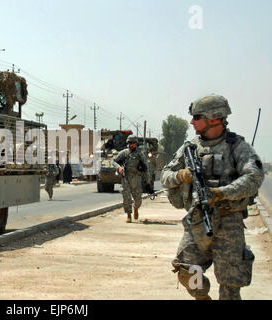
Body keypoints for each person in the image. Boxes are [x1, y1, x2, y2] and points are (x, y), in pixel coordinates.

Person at [161, 94, 264, 300]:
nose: (192, 121)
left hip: (229, 222)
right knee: (186, 270)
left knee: (230, 286)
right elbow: (165, 176)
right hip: (198, 220)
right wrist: (181, 175)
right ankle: (203, 297)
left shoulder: (237, 146)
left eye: (197, 117)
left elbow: (254, 177)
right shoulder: (190, 148)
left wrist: (220, 193)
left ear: (214, 118)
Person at [113, 135, 151, 223]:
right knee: (126, 198)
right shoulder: (124, 153)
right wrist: (119, 167)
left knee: (138, 199)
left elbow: (146, 167)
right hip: (126, 177)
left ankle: (135, 208)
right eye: (130, 143)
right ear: (128, 143)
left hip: (136, 178)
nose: (132, 145)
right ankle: (129, 215)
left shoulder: (140, 154)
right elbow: (114, 161)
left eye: (133, 143)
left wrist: (148, 179)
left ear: (136, 144)